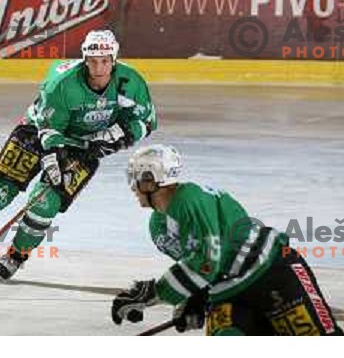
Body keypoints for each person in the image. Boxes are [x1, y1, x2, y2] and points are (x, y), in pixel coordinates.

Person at [0, 29, 157, 279]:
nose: (99, 68)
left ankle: (15, 256)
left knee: (45, 203)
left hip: (83, 147)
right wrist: (53, 159)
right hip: (37, 132)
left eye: (105, 61)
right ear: (84, 59)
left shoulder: (130, 81)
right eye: (93, 61)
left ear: (114, 60)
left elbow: (147, 121)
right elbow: (50, 130)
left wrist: (120, 136)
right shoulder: (62, 82)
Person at [111, 144, 343, 336]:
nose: (133, 186)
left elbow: (207, 261)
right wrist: (197, 298)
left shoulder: (189, 198)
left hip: (271, 274)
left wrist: (151, 294)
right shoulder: (157, 227)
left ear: (151, 180)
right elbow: (199, 266)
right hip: (228, 293)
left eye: (136, 178)